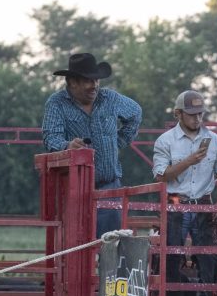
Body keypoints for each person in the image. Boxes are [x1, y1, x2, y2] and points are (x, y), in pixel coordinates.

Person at [42, 53, 143, 238]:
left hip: (108, 185)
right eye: (88, 80)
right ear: (72, 82)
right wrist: (67, 146)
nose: (94, 85)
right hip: (73, 187)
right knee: (75, 243)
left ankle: (105, 267)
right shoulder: (57, 103)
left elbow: (135, 113)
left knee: (111, 242)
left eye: (96, 80)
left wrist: (118, 142)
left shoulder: (109, 98)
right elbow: (50, 138)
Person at [152, 90, 217, 296]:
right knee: (171, 256)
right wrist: (189, 161)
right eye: (192, 114)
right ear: (179, 114)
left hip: (203, 201)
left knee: (209, 260)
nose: (197, 119)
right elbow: (160, 175)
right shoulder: (165, 141)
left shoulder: (214, 140)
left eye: (200, 114)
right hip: (176, 200)